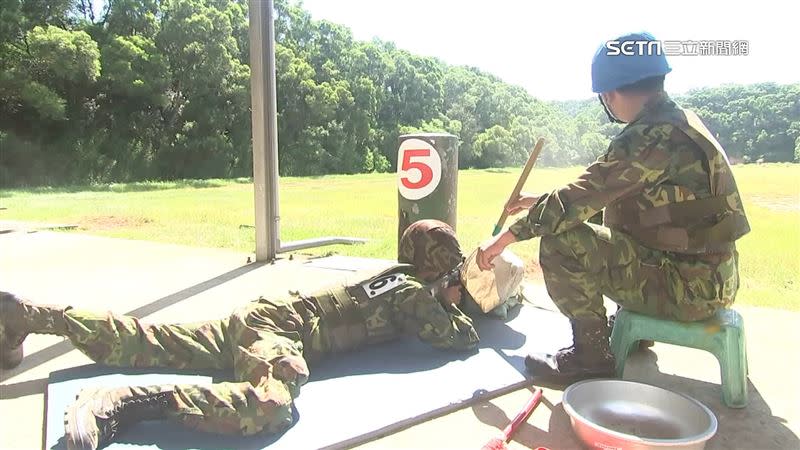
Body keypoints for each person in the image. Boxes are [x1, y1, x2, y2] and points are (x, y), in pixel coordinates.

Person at [0, 220, 486, 450]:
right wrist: (455, 301)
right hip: (278, 332)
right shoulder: (413, 295)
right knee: (271, 406)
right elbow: (462, 339)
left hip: (260, 316)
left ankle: (30, 316)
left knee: (147, 338)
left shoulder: (392, 277)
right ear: (440, 266)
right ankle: (129, 402)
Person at [476, 31, 750, 385]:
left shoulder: (649, 135)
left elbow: (582, 196)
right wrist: (540, 201)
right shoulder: (678, 122)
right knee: (609, 217)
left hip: (688, 290)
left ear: (610, 92)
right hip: (711, 279)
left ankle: (590, 357)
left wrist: (503, 241)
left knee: (562, 240)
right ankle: (635, 329)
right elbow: (602, 192)